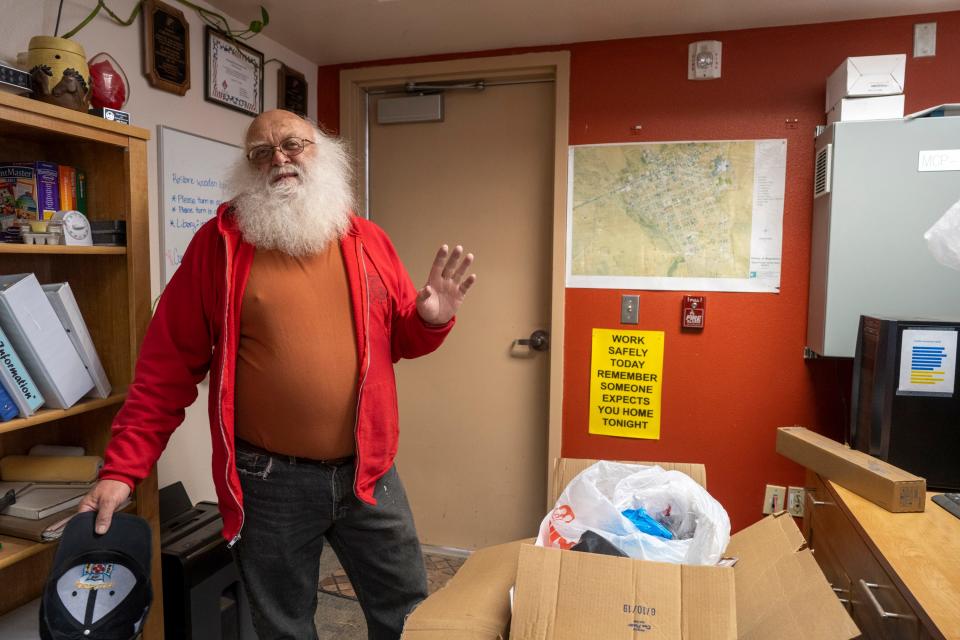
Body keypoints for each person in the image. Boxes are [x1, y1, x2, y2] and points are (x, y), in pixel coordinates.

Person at [78, 109, 476, 640]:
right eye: (261, 153)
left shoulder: (368, 242)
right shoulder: (216, 247)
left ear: (324, 152)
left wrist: (431, 319)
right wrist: (122, 469)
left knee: (407, 613)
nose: (279, 160)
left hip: (369, 471)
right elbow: (165, 367)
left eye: (293, 145)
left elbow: (400, 341)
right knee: (283, 626)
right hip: (269, 483)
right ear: (247, 168)